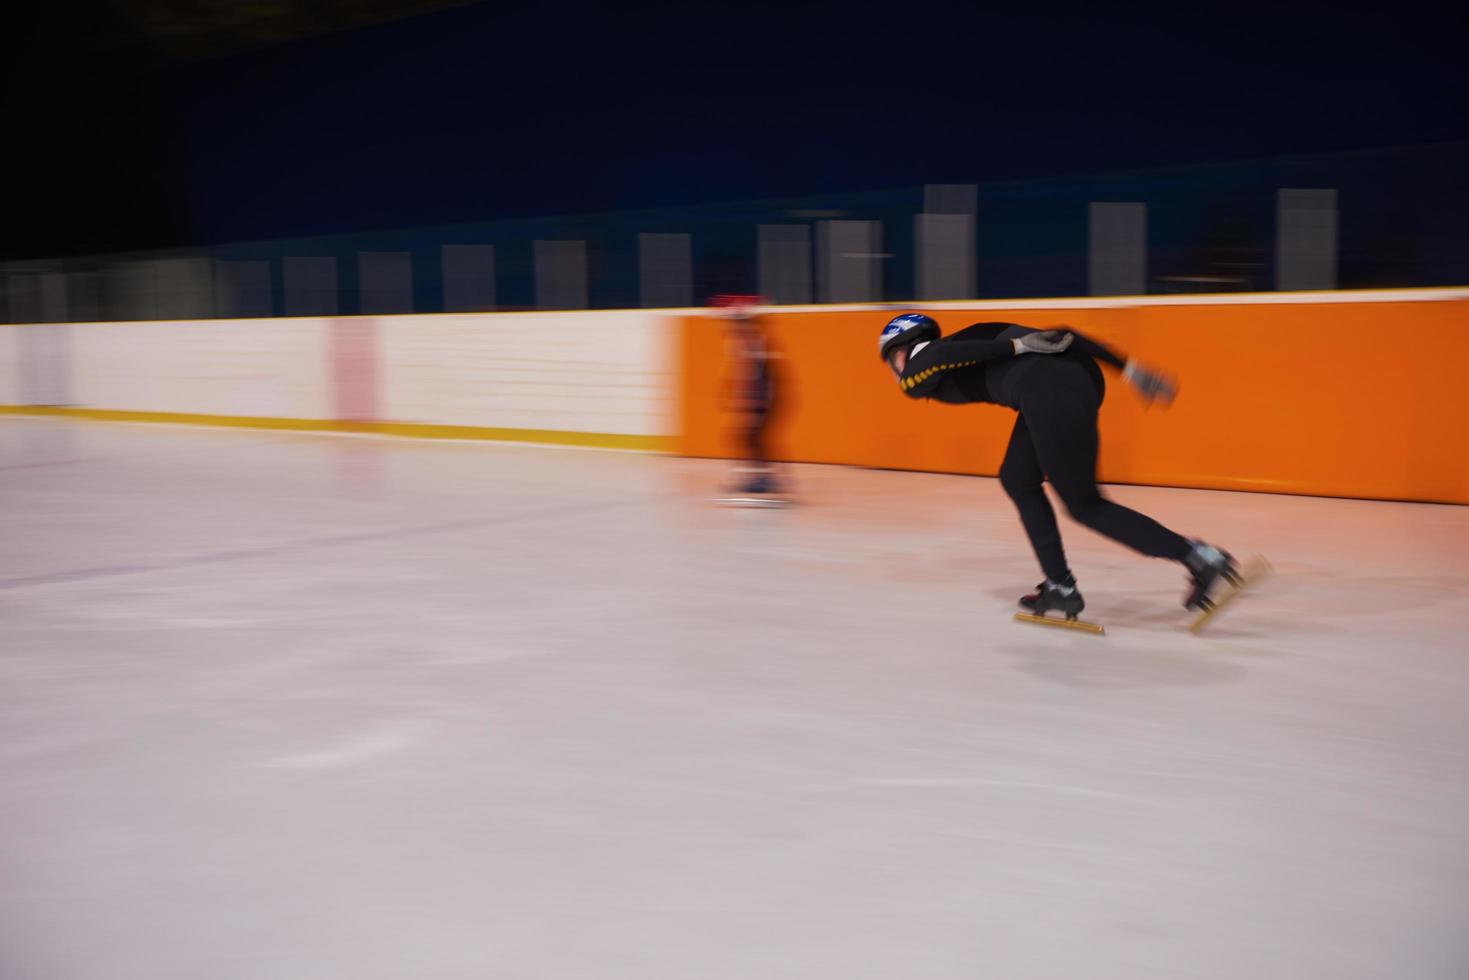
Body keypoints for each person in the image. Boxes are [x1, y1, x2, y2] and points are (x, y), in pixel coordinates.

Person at [878, 313, 1239, 621]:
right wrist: (1128, 370)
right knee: (1017, 478)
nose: (895, 373)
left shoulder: (924, 363)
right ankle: (1059, 585)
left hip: (1046, 390)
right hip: (1071, 381)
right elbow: (1063, 334)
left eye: (892, 359)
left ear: (904, 347)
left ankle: (1200, 557)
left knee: (1086, 505)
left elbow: (929, 364)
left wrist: (1018, 348)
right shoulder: (975, 335)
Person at [715, 295, 784, 498]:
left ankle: (765, 480)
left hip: (766, 398)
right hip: (762, 397)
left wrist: (755, 400)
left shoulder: (753, 340)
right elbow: (743, 372)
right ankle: (762, 479)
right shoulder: (744, 341)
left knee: (750, 437)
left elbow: (758, 373)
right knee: (751, 438)